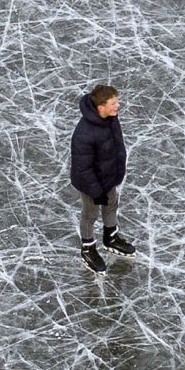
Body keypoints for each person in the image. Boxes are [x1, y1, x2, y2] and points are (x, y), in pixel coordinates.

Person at [69, 83, 133, 272]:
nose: (117, 106)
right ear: (101, 107)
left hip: (108, 175)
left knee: (111, 204)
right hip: (91, 183)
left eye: (117, 102)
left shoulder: (110, 118)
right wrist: (96, 192)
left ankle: (110, 237)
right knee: (90, 214)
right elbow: (83, 168)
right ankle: (88, 248)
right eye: (113, 103)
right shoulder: (85, 134)